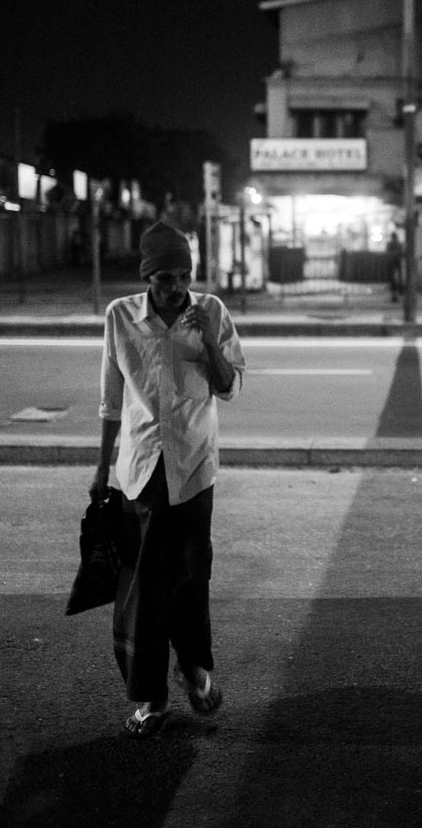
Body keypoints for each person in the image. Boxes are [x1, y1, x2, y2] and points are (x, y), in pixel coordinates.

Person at [90, 220, 246, 738]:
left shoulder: (213, 312)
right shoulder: (121, 317)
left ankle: (197, 670)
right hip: (139, 472)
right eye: (163, 278)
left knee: (191, 573)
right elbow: (112, 402)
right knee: (146, 589)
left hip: (195, 469)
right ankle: (153, 697)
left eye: (183, 276)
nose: (175, 287)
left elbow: (228, 388)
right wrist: (100, 472)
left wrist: (209, 344)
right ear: (147, 277)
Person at [385, 230, 404, 301]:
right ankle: (398, 293)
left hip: (392, 262)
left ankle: (394, 295)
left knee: (393, 279)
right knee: (398, 278)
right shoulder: (399, 244)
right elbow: (402, 253)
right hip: (397, 262)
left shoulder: (390, 244)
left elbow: (387, 253)